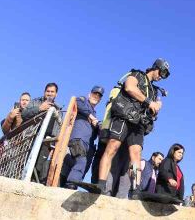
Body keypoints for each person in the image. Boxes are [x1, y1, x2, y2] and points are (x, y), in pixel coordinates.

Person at [96, 59, 170, 196]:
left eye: (165, 75)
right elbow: (129, 87)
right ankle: (100, 184)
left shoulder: (154, 90)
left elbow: (154, 108)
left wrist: (156, 106)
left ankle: (135, 189)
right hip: (124, 116)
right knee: (112, 147)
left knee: (136, 154)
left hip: (139, 124)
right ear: (155, 67)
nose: (161, 76)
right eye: (161, 72)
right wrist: (149, 102)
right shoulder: (137, 75)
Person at [62, 86, 103, 188]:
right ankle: (71, 185)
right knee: (81, 161)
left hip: (88, 146)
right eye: (94, 94)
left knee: (82, 166)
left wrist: (99, 126)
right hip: (77, 140)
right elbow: (76, 102)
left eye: (99, 96)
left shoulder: (96, 115)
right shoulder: (83, 101)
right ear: (89, 94)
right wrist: (91, 117)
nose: (96, 97)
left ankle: (72, 185)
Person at [21, 83, 61, 183]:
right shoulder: (35, 102)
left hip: (46, 142)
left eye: (52, 92)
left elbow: (58, 129)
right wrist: (39, 109)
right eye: (48, 91)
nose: (50, 94)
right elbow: (24, 114)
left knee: (39, 167)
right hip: (31, 138)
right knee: (27, 163)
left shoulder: (58, 109)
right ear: (44, 92)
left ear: (56, 94)